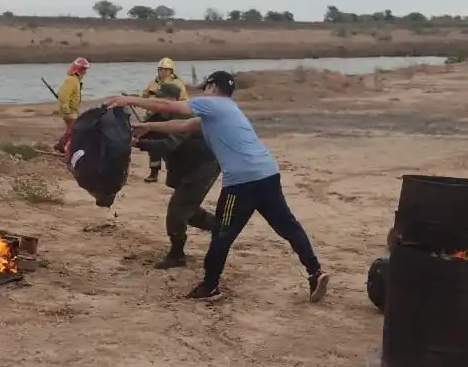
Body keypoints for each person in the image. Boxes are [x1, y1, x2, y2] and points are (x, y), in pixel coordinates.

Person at [107, 70, 329, 302]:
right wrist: (150, 128)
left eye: (205, 87)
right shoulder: (227, 110)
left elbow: (168, 105)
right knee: (287, 226)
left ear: (212, 87)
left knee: (222, 233)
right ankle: (316, 272)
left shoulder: (213, 103)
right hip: (268, 173)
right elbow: (184, 126)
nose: (203, 91)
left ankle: (210, 286)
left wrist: (127, 100)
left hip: (242, 182)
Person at [134, 81, 218, 269]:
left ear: (173, 100)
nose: (158, 100)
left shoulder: (183, 115)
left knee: (177, 210)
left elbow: (168, 145)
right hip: (186, 167)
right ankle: (220, 228)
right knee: (188, 209)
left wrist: (137, 144)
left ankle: (177, 255)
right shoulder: (158, 116)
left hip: (203, 167)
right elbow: (150, 134)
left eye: (162, 97)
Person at [139, 58, 189, 183]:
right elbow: (144, 96)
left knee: (170, 146)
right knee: (153, 147)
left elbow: (184, 101)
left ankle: (175, 172)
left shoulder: (178, 84)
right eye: (160, 69)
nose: (162, 72)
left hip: (169, 117)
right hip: (153, 116)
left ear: (171, 71)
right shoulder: (153, 83)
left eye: (165, 70)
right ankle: (154, 172)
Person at [54, 57, 90, 155]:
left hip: (72, 110)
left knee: (72, 130)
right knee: (73, 130)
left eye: (85, 69)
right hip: (69, 110)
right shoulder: (71, 80)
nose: (85, 72)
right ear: (77, 69)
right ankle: (61, 146)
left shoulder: (75, 80)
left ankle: (62, 146)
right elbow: (63, 95)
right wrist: (65, 108)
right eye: (83, 69)